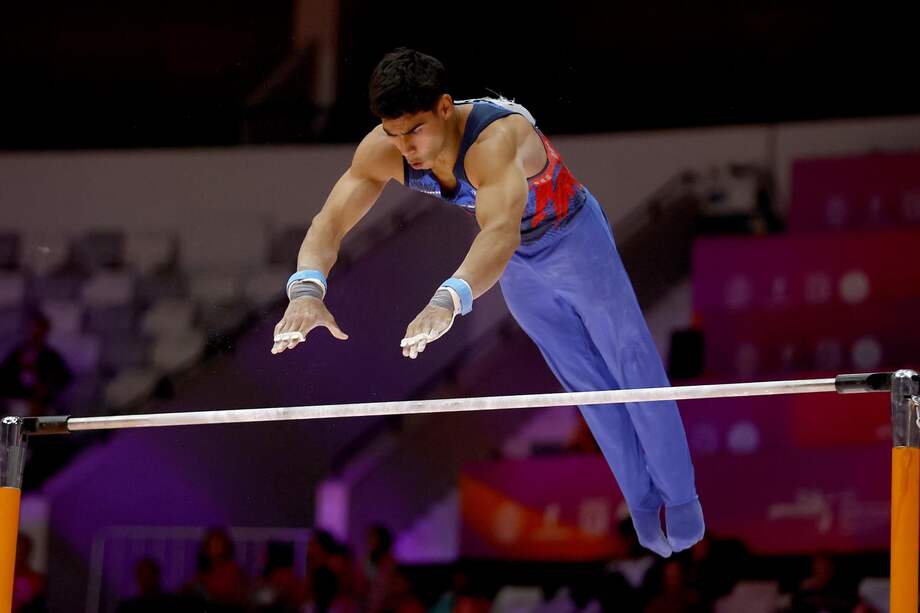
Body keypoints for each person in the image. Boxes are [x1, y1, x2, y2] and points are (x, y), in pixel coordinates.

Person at [270, 47, 703, 556]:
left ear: (445, 107)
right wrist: (306, 287)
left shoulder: (496, 141)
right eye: (393, 133)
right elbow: (330, 222)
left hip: (573, 240)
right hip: (520, 270)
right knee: (585, 384)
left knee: (630, 363)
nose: (405, 147)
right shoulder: (383, 149)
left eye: (415, 130)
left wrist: (447, 300)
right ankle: (642, 503)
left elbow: (500, 233)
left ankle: (683, 500)